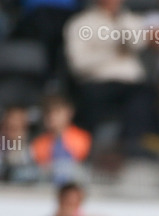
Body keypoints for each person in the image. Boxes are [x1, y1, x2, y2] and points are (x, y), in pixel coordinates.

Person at [64, 0, 147, 143]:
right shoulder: (80, 23)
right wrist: (113, 53)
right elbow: (77, 63)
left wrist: (121, 19)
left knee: (145, 102)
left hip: (132, 84)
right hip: (97, 83)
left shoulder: (132, 20)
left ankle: (135, 150)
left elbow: (138, 44)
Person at [31, 95, 92, 185]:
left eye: (57, 112)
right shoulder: (38, 143)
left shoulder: (83, 138)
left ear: (69, 113)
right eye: (48, 113)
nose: (52, 117)